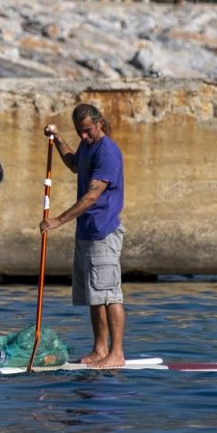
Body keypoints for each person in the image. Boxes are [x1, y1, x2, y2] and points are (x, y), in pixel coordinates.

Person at [39, 103, 126, 368]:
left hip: (103, 230)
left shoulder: (108, 152)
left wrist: (59, 221)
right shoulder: (88, 147)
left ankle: (117, 354)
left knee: (109, 294)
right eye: (79, 132)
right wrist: (59, 138)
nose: (84, 137)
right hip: (87, 231)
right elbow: (74, 163)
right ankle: (100, 350)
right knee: (94, 294)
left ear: (99, 122)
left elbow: (91, 197)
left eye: (87, 131)